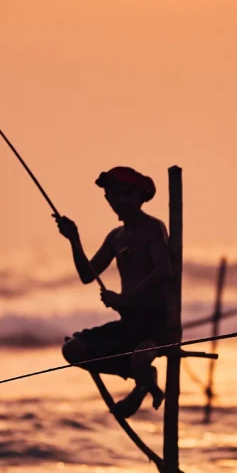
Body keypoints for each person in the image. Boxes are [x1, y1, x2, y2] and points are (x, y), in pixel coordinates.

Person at [56, 166, 173, 417]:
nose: (122, 200)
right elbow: (88, 275)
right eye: (115, 195)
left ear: (141, 195)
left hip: (157, 325)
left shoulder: (154, 228)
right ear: (108, 200)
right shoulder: (115, 237)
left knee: (141, 357)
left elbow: (164, 270)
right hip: (129, 323)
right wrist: (74, 239)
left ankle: (141, 382)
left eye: (127, 193)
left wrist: (125, 299)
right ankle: (144, 378)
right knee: (73, 349)